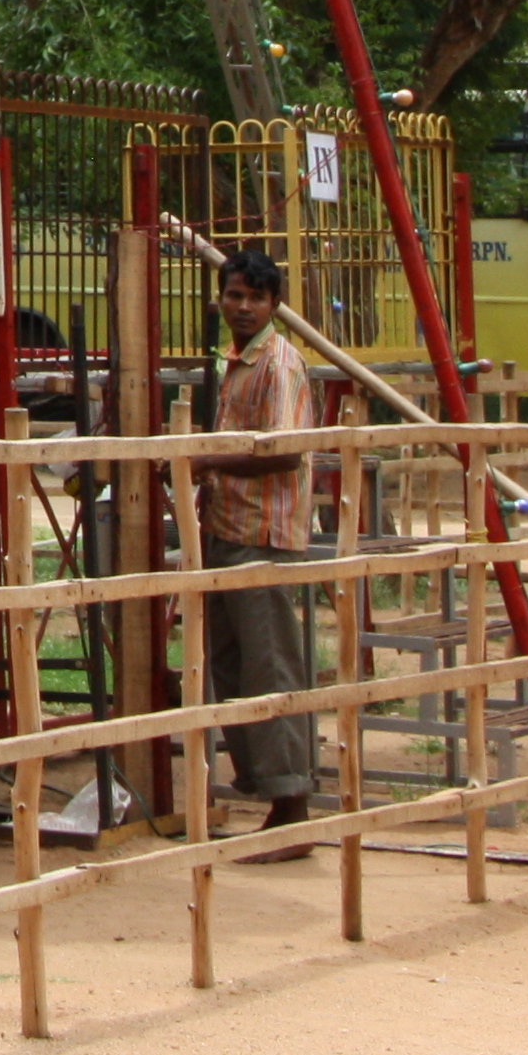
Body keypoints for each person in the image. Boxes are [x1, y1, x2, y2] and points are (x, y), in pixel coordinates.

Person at [190, 241, 321, 858]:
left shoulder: (280, 364)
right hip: (227, 528)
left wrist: (207, 461)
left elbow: (286, 450)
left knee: (270, 667)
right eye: (235, 295)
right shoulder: (235, 362)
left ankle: (292, 806)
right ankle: (268, 793)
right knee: (232, 667)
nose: (243, 306)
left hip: (265, 537)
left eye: (256, 298)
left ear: (275, 304)